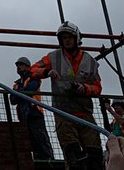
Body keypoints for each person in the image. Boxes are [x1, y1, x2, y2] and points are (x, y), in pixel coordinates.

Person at [30, 21, 103, 170]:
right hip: (63, 114)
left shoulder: (89, 61)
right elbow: (33, 69)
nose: (67, 40)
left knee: (95, 156)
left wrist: (84, 88)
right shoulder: (53, 57)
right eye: (64, 38)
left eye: (70, 37)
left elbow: (97, 87)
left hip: (85, 114)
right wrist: (46, 72)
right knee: (73, 156)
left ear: (77, 38)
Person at [11, 56, 55, 162]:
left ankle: (49, 161)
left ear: (27, 66)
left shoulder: (33, 77)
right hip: (24, 115)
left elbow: (30, 89)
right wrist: (21, 92)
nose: (18, 67)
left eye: (21, 65)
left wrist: (19, 93)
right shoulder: (17, 83)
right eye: (17, 65)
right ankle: (38, 160)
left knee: (40, 139)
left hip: (35, 113)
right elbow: (12, 100)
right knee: (30, 141)